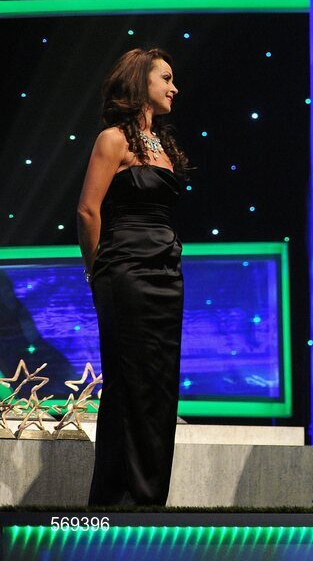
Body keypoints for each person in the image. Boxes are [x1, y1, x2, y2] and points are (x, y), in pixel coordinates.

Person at [77, 48, 188, 505]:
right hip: (124, 271)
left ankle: (150, 499)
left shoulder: (162, 144)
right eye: (166, 78)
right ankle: (116, 500)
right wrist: (97, 268)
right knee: (129, 383)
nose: (174, 87)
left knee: (160, 384)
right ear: (141, 82)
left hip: (166, 271)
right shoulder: (112, 140)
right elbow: (87, 210)